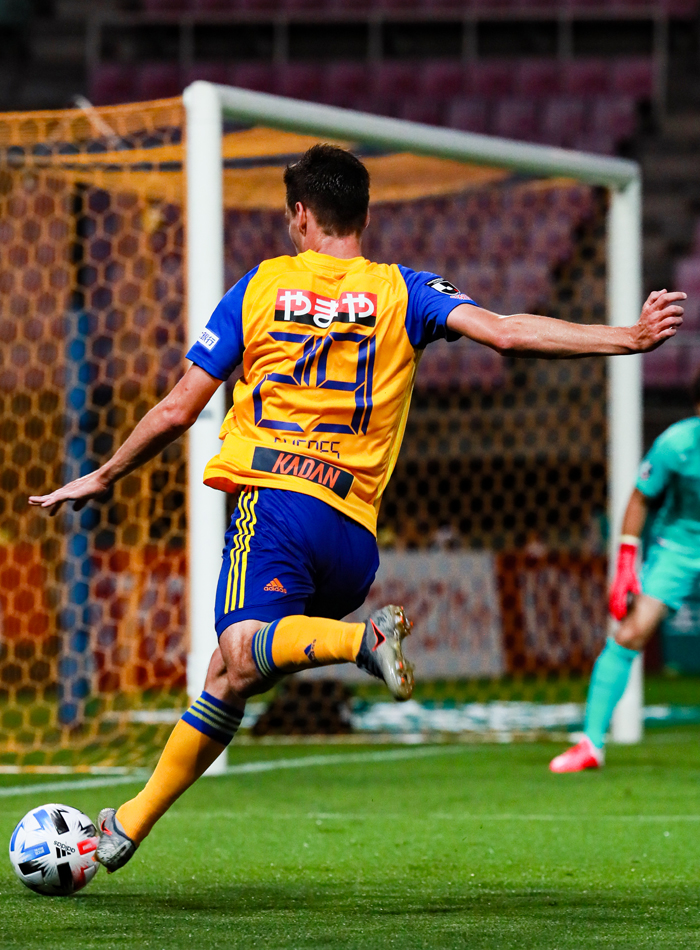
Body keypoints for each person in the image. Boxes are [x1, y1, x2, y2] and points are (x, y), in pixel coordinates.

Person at [29, 145, 684, 871]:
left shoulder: (261, 286)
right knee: (228, 673)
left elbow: (180, 408)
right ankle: (127, 825)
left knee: (240, 650)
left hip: (276, 504)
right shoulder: (406, 289)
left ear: (299, 215)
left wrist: (105, 474)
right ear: (366, 215)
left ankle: (358, 644)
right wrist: (628, 337)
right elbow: (504, 332)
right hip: (353, 538)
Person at [551, 373, 700, 773]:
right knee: (631, 632)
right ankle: (590, 744)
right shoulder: (677, 445)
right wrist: (625, 566)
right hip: (680, 547)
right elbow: (640, 498)